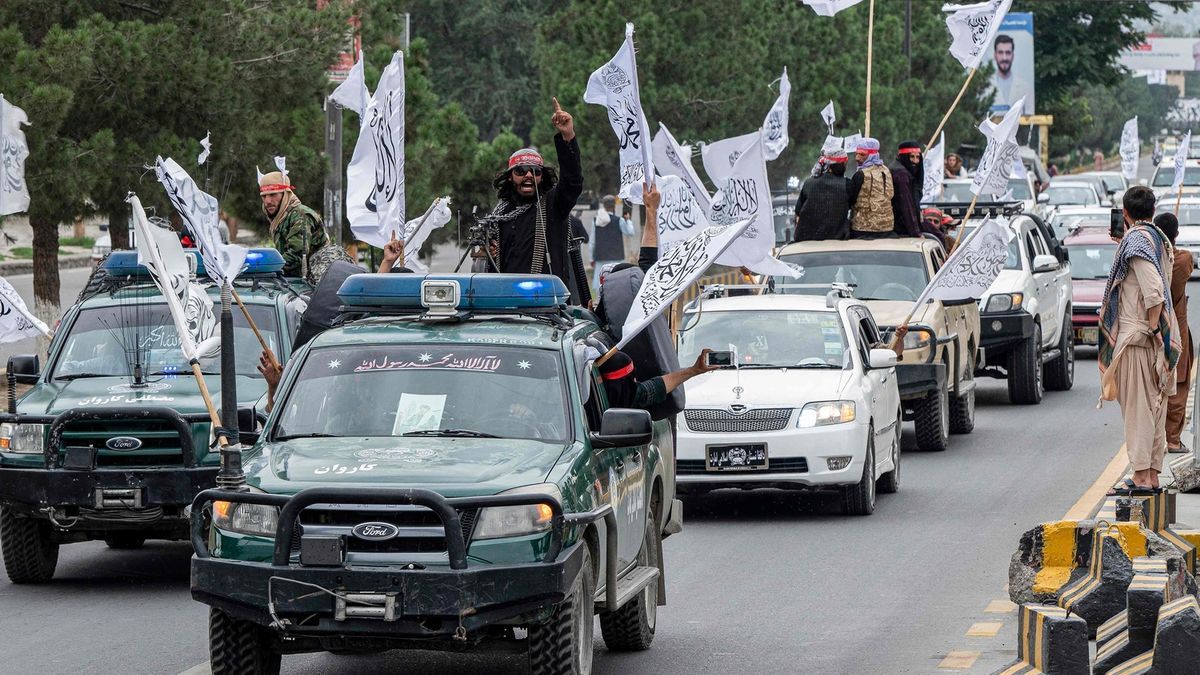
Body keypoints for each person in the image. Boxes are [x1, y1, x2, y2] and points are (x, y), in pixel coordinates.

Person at [1099, 186, 1182, 492]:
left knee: (1138, 409)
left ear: (1125, 212)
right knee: (1154, 407)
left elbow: (1154, 292)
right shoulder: (1157, 238)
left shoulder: (1137, 242)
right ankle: (1152, 474)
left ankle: (1141, 476)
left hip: (1140, 337)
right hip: (1151, 336)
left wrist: (1150, 330)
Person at [483, 97, 583, 297]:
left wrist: (568, 137)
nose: (528, 175)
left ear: (541, 176)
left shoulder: (555, 204)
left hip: (547, 304)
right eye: (521, 171)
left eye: (535, 171)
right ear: (511, 177)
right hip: (505, 301)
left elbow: (573, 181)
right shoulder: (501, 213)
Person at [1155, 213, 1194, 454]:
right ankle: (1172, 438)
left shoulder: (1149, 262)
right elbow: (1183, 261)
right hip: (1175, 328)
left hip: (1152, 328)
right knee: (1179, 383)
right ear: (1176, 235)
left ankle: (1158, 437)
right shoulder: (1181, 260)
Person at [597, 347, 716, 410]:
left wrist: (694, 370)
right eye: (631, 378)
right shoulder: (587, 409)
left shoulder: (631, 394)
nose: (634, 382)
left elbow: (654, 387)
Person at [259, 170, 328, 278]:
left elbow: (297, 256)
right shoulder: (280, 218)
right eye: (264, 196)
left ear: (285, 195)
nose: (267, 201)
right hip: (292, 281)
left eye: (273, 195)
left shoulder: (300, 215)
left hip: (312, 282)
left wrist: (265, 268)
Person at [792, 148, 852, 241]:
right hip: (837, 241)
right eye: (844, 164)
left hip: (806, 241)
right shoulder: (848, 184)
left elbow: (798, 212)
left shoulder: (809, 183)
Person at [848, 138, 895, 238]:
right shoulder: (886, 170)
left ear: (872, 154)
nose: (857, 158)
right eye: (857, 154)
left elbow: (851, 199)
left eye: (862, 154)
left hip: (863, 229)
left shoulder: (860, 174)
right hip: (887, 228)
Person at [592, 194, 634, 290]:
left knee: (600, 284)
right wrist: (628, 221)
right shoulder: (619, 220)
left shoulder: (596, 220)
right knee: (617, 284)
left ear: (604, 206)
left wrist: (591, 257)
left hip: (600, 257)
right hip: (616, 257)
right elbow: (630, 232)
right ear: (614, 206)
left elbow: (592, 241)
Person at [989, 34, 1032, 114]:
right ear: (995, 55)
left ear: (1013, 55)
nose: (1004, 58)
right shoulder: (985, 87)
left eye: (1008, 53)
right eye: (1000, 52)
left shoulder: (1025, 88)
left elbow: (1030, 117)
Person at [890, 141, 924, 238]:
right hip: (902, 227)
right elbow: (906, 205)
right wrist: (916, 233)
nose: (915, 161)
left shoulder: (901, 170)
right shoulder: (901, 174)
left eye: (918, 157)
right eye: (911, 157)